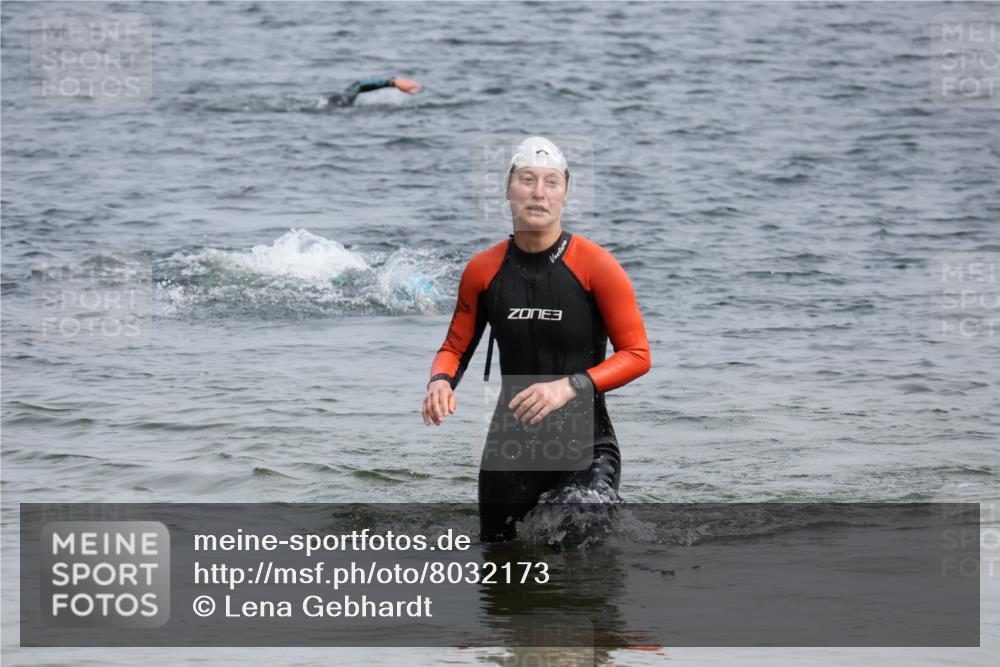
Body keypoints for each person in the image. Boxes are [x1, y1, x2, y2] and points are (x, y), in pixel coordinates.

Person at [422, 136, 651, 543]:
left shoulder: (596, 265)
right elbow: (455, 348)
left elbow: (637, 355)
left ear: (565, 192)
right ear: (508, 189)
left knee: (581, 539)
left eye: (551, 182)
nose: (538, 193)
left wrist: (570, 386)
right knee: (498, 570)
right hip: (510, 450)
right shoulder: (483, 270)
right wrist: (439, 381)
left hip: (587, 444)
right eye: (527, 180)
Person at [323, 77, 421, 107]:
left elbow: (358, 85)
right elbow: (358, 85)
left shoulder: (337, 103)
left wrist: (393, 83)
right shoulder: (337, 104)